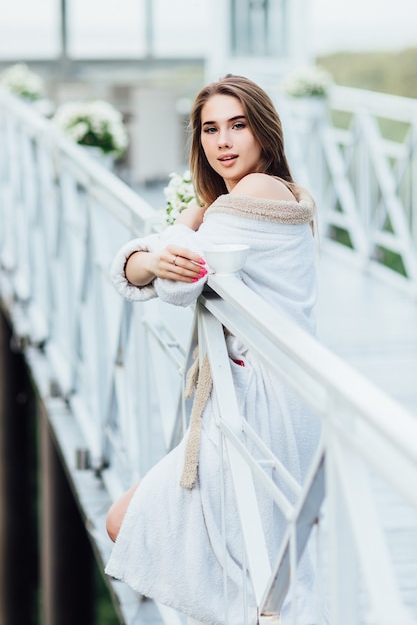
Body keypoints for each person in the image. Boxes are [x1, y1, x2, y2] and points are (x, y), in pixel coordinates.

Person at [105, 75, 322, 625]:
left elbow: (177, 282)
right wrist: (159, 253)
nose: (223, 141)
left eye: (238, 125)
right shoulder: (259, 196)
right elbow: (142, 271)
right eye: (210, 128)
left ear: (264, 133)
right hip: (272, 395)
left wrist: (176, 231)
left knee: (133, 523)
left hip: (261, 404)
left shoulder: (252, 194)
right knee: (256, 565)